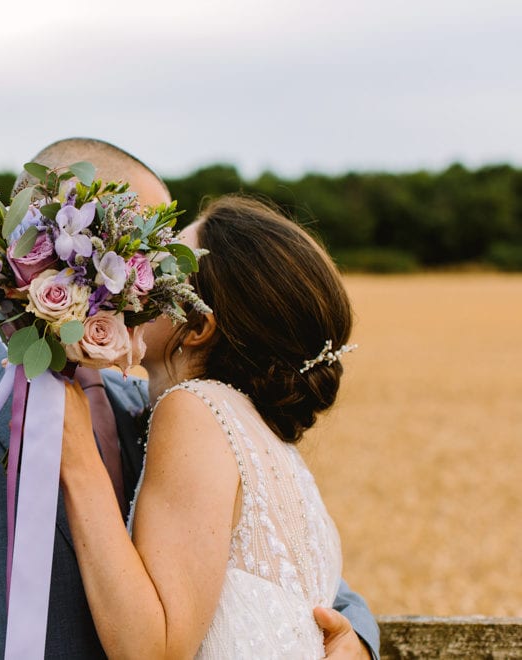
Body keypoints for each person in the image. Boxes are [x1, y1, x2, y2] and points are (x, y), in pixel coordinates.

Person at [0, 138, 380, 658]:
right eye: (148, 254)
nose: (159, 278)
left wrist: (356, 635)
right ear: (52, 249)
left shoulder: (169, 410)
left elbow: (269, 561)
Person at [60, 194, 374, 658]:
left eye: (164, 268)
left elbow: (155, 651)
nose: (139, 275)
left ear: (198, 326)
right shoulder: (261, 436)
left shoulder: (195, 409)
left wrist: (76, 457)